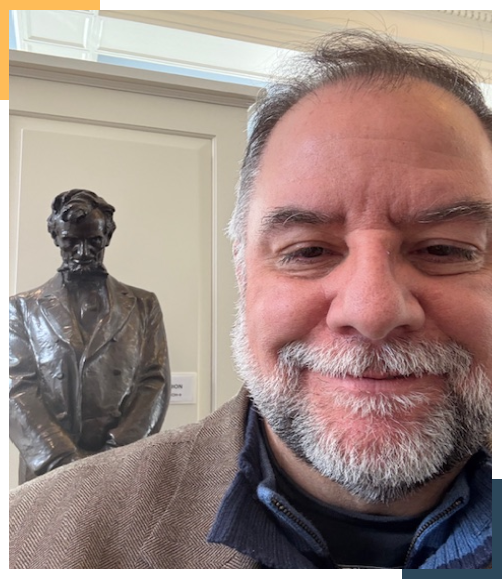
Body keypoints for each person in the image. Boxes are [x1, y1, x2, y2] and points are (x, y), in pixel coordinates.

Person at [9, 31, 493, 572]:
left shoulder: (138, 304)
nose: (373, 310)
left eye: (445, 248)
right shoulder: (30, 540)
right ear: (243, 271)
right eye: (308, 250)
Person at [9, 189, 171, 484]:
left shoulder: (143, 304)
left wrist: (114, 453)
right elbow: (16, 391)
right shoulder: (22, 307)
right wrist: (65, 460)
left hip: (118, 464)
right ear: (56, 238)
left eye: (93, 241)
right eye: (71, 242)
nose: (83, 253)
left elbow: (153, 383)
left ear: (107, 236)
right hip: (48, 468)